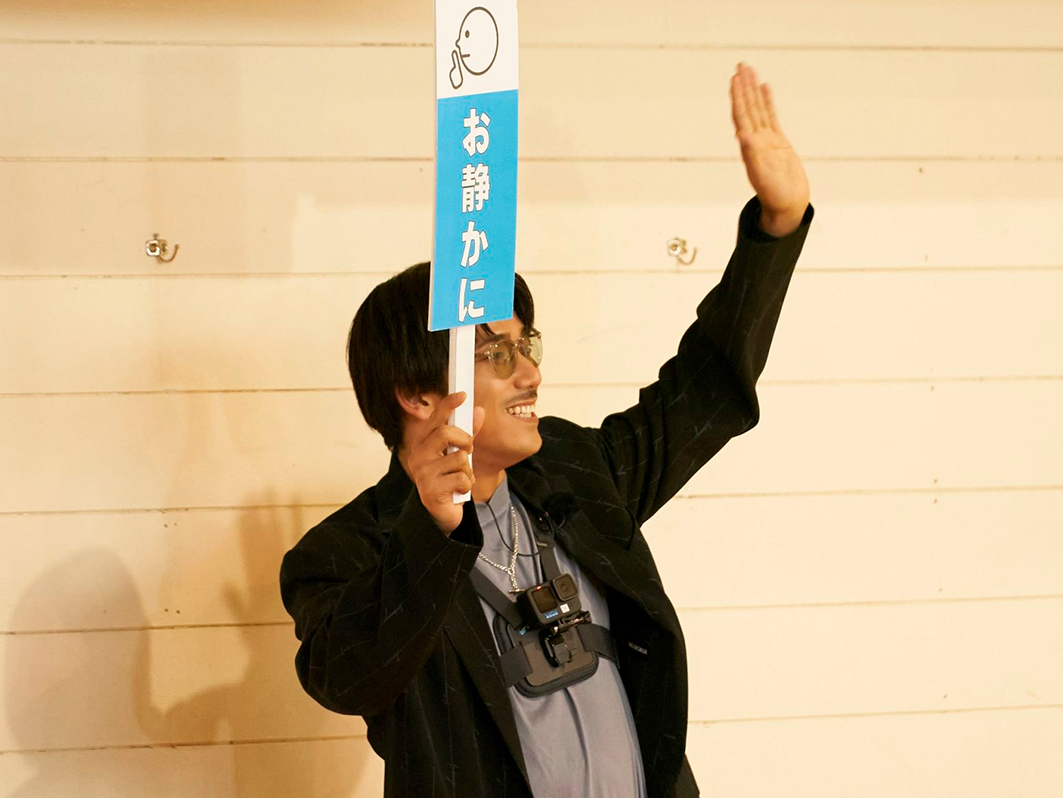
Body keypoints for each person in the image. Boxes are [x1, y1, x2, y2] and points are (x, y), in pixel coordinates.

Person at [280, 63, 813, 798]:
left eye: (527, 346)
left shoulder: (574, 471)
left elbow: (705, 394)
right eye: (497, 355)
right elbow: (348, 677)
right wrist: (431, 530)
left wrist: (776, 228)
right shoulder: (344, 553)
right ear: (415, 392)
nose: (529, 374)